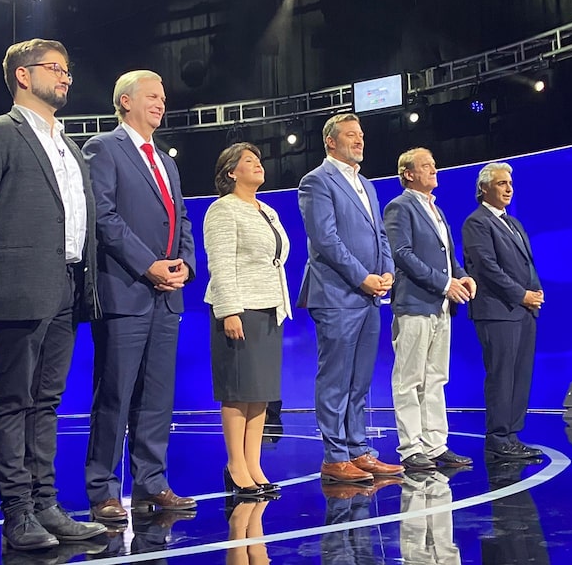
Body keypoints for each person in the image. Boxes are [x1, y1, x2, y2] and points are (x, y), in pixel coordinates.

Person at [0, 38, 106, 551]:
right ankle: (17, 511)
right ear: (23, 74)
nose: (66, 77)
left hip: (67, 284)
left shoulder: (69, 145)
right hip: (19, 285)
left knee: (47, 401)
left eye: (67, 69)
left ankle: (46, 504)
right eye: (56, 69)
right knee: (14, 399)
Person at [83, 70, 197, 523]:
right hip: (126, 291)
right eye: (152, 96)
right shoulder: (103, 149)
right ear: (125, 101)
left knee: (156, 395)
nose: (161, 103)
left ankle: (152, 482)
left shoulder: (166, 161)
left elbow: (182, 217)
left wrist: (185, 263)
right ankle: (103, 489)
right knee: (114, 393)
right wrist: (147, 264)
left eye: (163, 97)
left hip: (168, 295)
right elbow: (104, 216)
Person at [297, 113, 404, 484]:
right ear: (331, 141)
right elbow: (326, 241)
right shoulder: (316, 182)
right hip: (337, 295)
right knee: (336, 378)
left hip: (370, 296)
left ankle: (358, 449)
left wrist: (387, 271)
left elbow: (381, 236)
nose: (359, 141)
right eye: (351, 135)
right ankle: (335, 456)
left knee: (359, 380)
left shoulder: (368, 186)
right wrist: (363, 277)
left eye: (361, 135)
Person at [203, 142, 291, 497]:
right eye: (249, 161)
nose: (258, 165)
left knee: (260, 396)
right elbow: (221, 264)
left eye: (259, 159)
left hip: (270, 309)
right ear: (231, 172)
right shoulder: (223, 210)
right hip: (240, 309)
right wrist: (229, 310)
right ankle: (236, 466)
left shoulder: (267, 211)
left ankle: (253, 464)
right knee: (238, 393)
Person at [383, 148, 476, 471]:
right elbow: (403, 254)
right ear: (408, 174)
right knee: (409, 379)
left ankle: (436, 445)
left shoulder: (436, 210)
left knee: (436, 377)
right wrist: (443, 283)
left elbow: (447, 255)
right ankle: (411, 448)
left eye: (434, 164)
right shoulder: (399, 207)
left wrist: (462, 277)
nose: (434, 170)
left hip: (441, 305)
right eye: (426, 166)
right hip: (415, 305)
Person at [461, 162, 544, 461]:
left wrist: (535, 291)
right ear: (484, 188)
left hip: (524, 311)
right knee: (501, 376)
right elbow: (487, 268)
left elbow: (526, 265)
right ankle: (497, 438)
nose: (509, 188)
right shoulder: (477, 222)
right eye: (501, 183)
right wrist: (522, 295)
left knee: (520, 375)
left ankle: (512, 435)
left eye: (509, 183)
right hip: (498, 311)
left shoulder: (515, 223)